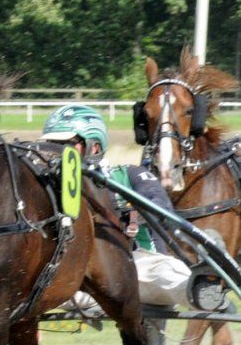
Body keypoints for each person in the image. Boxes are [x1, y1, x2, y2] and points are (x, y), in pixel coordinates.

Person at [42, 105, 196, 311]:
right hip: (77, 275)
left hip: (139, 265)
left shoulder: (129, 175)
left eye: (66, 145)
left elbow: (161, 209)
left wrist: (126, 216)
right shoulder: (46, 185)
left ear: (93, 147)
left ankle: (204, 290)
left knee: (173, 275)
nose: (56, 152)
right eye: (51, 144)